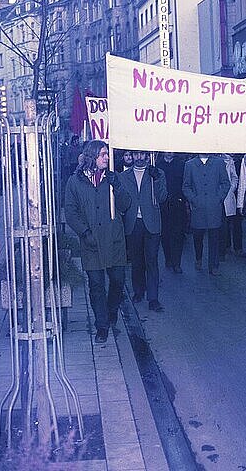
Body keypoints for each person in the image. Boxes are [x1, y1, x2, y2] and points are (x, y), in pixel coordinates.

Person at [64, 140, 130, 343]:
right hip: (91, 242)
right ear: (92, 157)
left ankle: (111, 312)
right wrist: (84, 232)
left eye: (107, 154)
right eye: (103, 154)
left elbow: (125, 204)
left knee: (118, 281)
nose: (107, 158)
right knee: (96, 285)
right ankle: (101, 326)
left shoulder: (113, 178)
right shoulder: (75, 182)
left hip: (114, 240)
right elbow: (71, 211)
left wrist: (117, 186)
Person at [120, 151, 167, 312]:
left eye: (142, 155)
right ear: (131, 156)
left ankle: (153, 298)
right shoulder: (124, 176)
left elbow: (162, 197)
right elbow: (121, 203)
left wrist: (158, 179)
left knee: (152, 261)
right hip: (133, 223)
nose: (139, 158)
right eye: (136, 154)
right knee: (137, 261)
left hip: (152, 223)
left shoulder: (157, 173)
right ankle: (138, 291)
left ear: (148, 156)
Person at [182, 153, 230, 276]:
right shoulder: (190, 165)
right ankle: (198, 257)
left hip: (214, 206)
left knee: (214, 236)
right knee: (198, 235)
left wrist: (218, 198)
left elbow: (225, 183)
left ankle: (214, 265)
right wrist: (194, 199)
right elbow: (186, 186)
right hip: (198, 207)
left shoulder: (219, 163)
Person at [157, 152, 187, 273]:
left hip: (177, 203)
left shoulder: (181, 165)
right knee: (165, 233)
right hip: (163, 204)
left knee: (178, 234)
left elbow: (185, 183)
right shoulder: (158, 165)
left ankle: (177, 262)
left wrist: (183, 198)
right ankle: (168, 258)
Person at [218, 154, 239, 261]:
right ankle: (220, 248)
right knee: (218, 224)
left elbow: (234, 177)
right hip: (215, 196)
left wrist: (231, 189)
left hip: (227, 195)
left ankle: (225, 247)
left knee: (226, 223)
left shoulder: (229, 160)